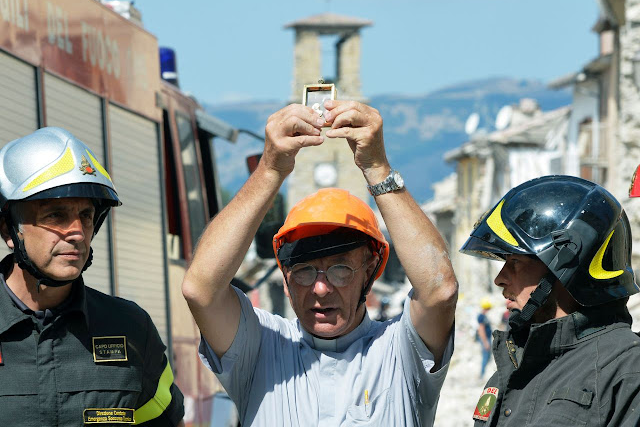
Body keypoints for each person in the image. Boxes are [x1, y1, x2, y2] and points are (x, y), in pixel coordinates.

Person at [183, 100, 458, 426]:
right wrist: (271, 169)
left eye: (340, 269)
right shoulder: (260, 350)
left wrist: (377, 167)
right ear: (285, 281)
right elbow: (201, 289)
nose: (321, 288)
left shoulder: (400, 352)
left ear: (369, 272)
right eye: (303, 271)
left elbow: (439, 290)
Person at [0, 127, 185, 426]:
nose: (77, 232)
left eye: (85, 215)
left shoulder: (131, 328)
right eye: (55, 215)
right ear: (10, 229)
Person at [461, 175, 640, 426]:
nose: (500, 279)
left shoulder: (628, 370)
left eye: (515, 262)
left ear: (565, 267)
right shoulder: (517, 364)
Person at [476, 298, 492, 379]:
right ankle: (482, 375)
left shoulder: (484, 316)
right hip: (485, 340)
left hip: (488, 339)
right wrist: (485, 342)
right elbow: (481, 330)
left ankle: (484, 373)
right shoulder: (481, 317)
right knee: (485, 356)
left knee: (488, 356)